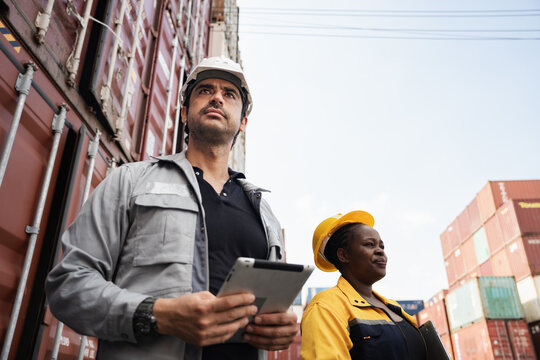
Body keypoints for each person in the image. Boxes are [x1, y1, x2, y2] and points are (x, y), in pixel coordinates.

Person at [46, 56, 299, 360]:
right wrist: (159, 315)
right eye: (205, 90)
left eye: (229, 94)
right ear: (184, 113)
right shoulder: (131, 181)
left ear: (243, 122)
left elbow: (269, 311)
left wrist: (280, 329)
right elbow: (68, 286)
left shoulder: (265, 214)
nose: (217, 97)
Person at [301, 211, 427, 359]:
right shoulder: (325, 306)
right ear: (344, 255)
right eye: (369, 244)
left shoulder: (394, 307)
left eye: (382, 246)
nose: (380, 251)